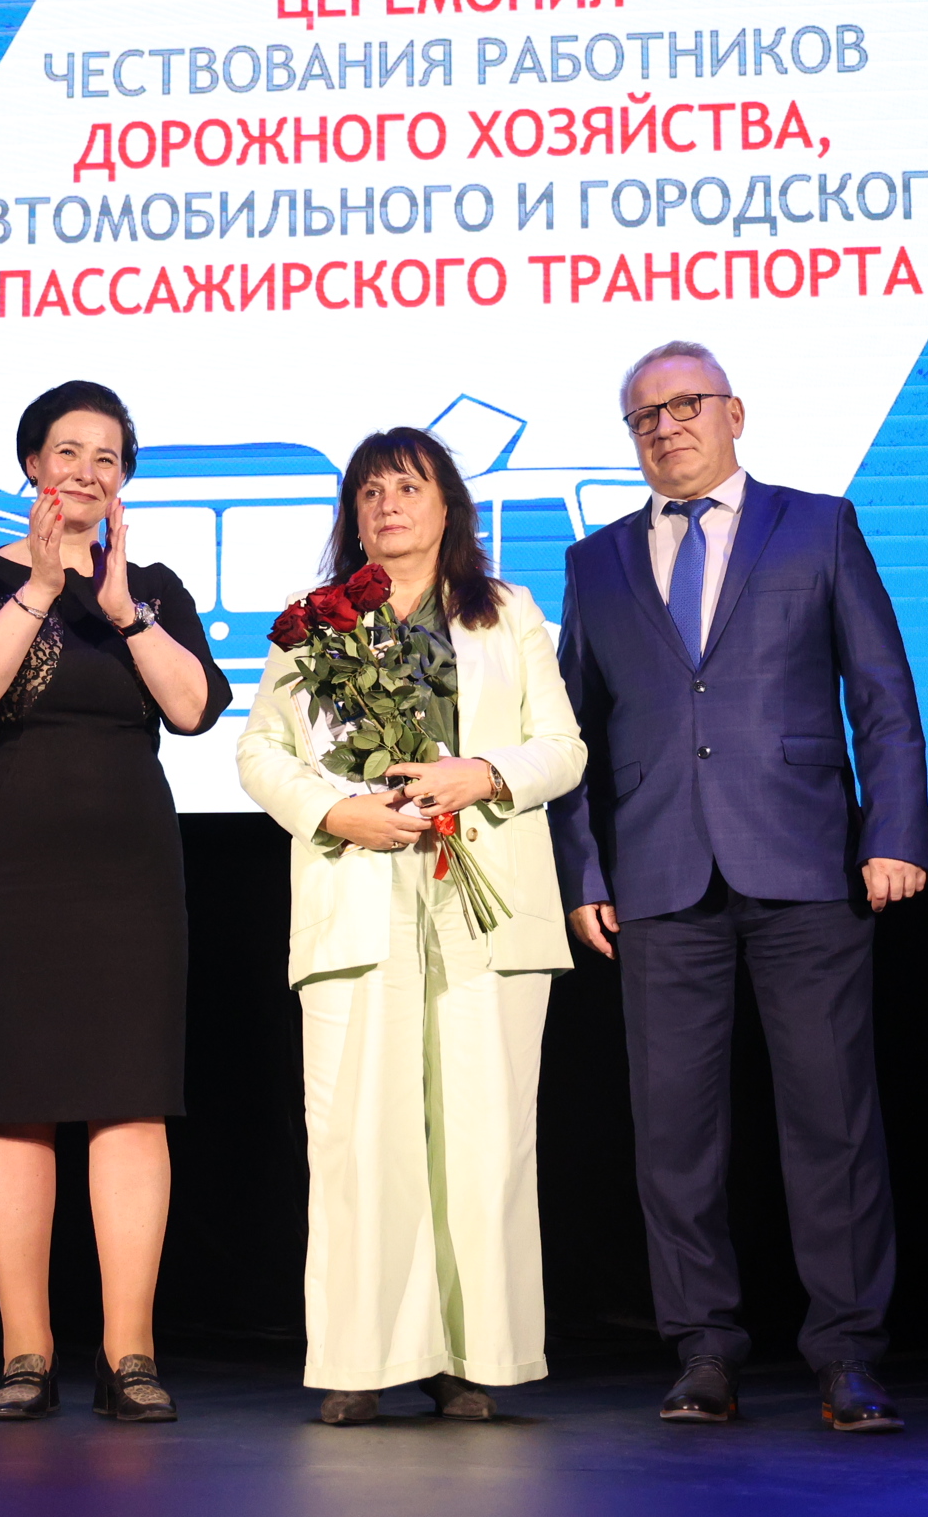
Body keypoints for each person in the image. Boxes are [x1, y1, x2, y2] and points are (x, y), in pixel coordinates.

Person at [549, 341, 928, 1432]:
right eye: (645, 416)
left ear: (735, 413)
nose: (666, 427)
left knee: (832, 1122)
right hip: (657, 879)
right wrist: (583, 871)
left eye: (686, 405)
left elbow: (884, 695)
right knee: (674, 1134)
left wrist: (894, 829)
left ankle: (847, 1354)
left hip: (809, 866)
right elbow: (571, 736)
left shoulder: (818, 526)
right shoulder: (596, 562)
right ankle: (703, 1350)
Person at [237, 427, 586, 1426]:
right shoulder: (313, 623)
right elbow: (261, 754)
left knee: (483, 1138)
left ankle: (475, 1357)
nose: (388, 504)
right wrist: (334, 810)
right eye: (370, 491)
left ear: (447, 507)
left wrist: (484, 773)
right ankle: (362, 1356)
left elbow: (563, 748)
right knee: (361, 1137)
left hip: (485, 897)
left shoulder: (506, 612)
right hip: (360, 887)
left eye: (408, 486)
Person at [0, 380, 231, 1424]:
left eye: (108, 456)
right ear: (33, 466)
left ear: (124, 479)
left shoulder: (153, 589)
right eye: (69, 451)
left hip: (128, 875)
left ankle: (130, 1352)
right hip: (2, 872)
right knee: (13, 1102)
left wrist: (122, 610)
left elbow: (194, 708)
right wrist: (43, 588)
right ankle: (26, 1351)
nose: (88, 470)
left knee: (129, 1100)